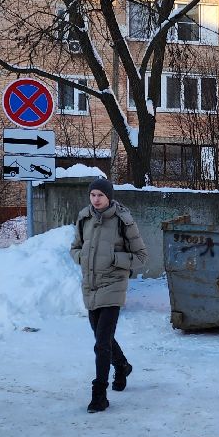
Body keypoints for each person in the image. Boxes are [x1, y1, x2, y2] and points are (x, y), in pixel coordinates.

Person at [69, 175, 148, 413]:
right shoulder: (84, 218)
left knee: (101, 343)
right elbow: (74, 248)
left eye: (100, 195)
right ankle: (122, 365)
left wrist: (114, 259)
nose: (96, 199)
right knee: (102, 338)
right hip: (91, 285)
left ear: (109, 197)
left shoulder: (123, 221)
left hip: (113, 285)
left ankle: (99, 395)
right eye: (93, 195)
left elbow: (142, 257)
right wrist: (82, 257)